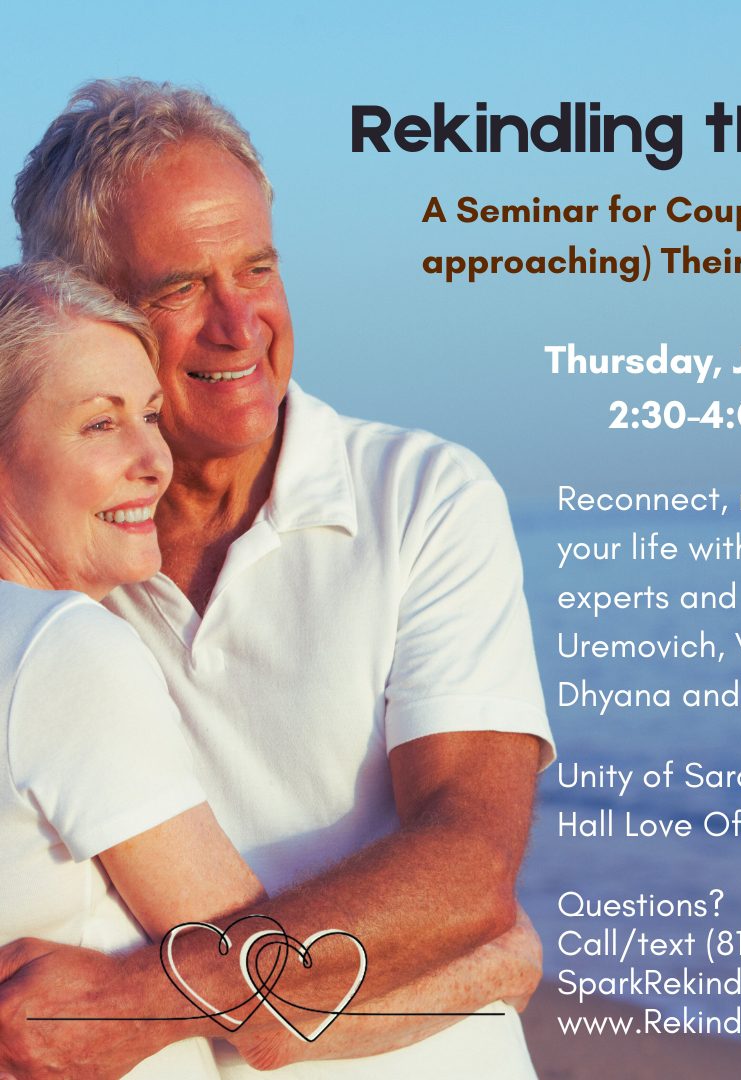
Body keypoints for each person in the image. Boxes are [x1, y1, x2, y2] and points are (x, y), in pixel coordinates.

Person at [0, 79, 553, 1078]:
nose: (239, 321)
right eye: (179, 288)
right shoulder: (63, 574)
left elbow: (468, 860)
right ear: (84, 308)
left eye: (256, 267)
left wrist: (135, 1004)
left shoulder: (422, 495)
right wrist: (480, 965)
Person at [0, 260, 266, 1078]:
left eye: (149, 415)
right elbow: (269, 994)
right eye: (99, 424)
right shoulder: (62, 648)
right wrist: (492, 958)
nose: (155, 458)